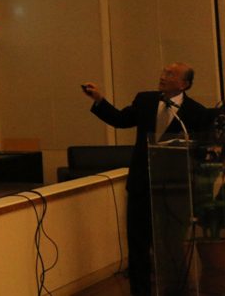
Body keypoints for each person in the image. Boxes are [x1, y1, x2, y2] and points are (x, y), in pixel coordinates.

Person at [82, 63, 209, 296]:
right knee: (138, 245)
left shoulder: (196, 112)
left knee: (171, 244)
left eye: (170, 74)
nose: (163, 76)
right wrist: (99, 99)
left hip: (175, 189)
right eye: (163, 72)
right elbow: (121, 120)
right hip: (142, 185)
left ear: (184, 84)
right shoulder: (145, 100)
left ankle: (177, 290)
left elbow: (201, 151)